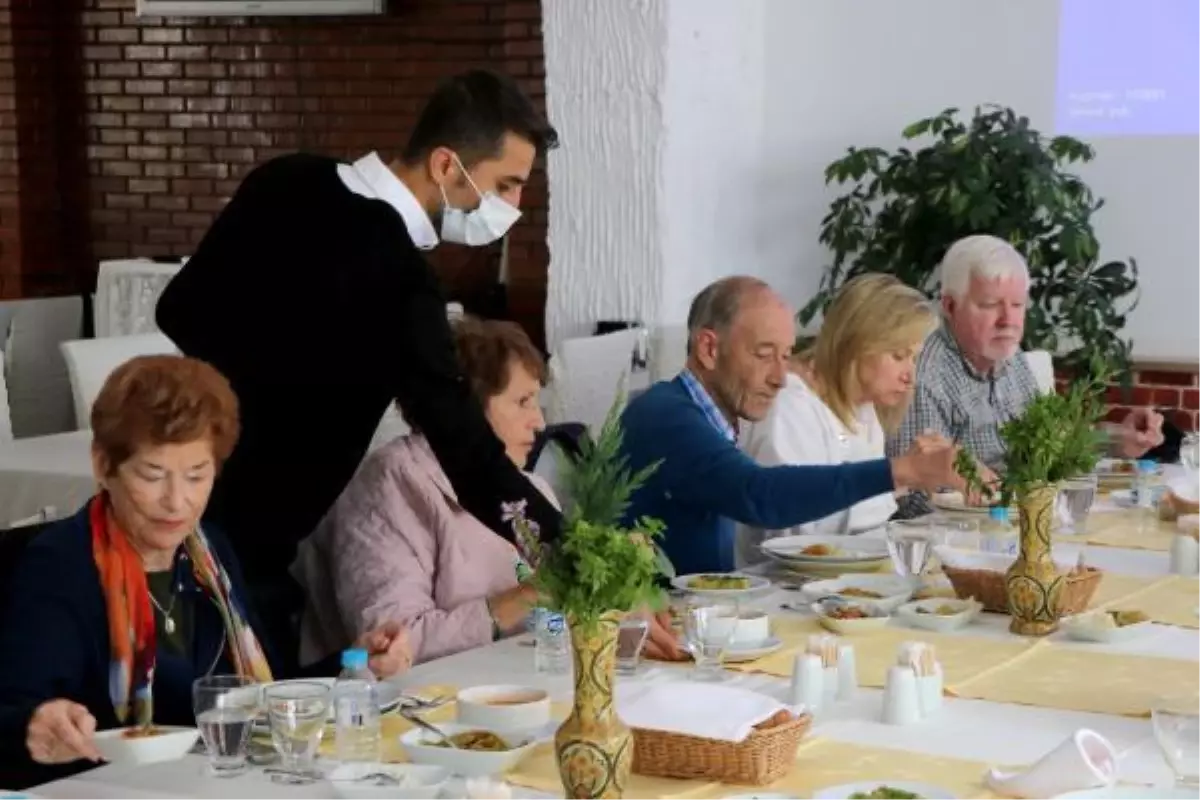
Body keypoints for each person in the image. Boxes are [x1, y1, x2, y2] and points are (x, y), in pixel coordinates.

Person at [154, 69, 563, 673]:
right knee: (242, 724)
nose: (512, 208)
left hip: (174, 500)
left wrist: (256, 376)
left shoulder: (286, 177)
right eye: (505, 185)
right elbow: (464, 448)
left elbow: (179, 309)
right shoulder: (403, 278)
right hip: (255, 534)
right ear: (447, 166)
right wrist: (566, 541)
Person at [0, 356, 409, 788]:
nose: (177, 502)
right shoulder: (63, 565)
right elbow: (13, 714)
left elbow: (264, 692)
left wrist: (355, 666)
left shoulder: (208, 553)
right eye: (153, 475)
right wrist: (36, 724)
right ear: (103, 465)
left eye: (197, 476)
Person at [617, 276, 965, 575]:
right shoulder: (666, 415)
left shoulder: (707, 418)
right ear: (709, 349)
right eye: (764, 354)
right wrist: (899, 472)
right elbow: (760, 496)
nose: (781, 378)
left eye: (786, 356)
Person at [888, 234, 1164, 517]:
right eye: (990, 304)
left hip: (1027, 518)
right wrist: (1000, 497)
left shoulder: (1009, 353)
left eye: (1018, 305)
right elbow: (915, 500)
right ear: (950, 306)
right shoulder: (924, 375)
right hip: (970, 535)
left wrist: (1119, 439)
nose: (1008, 320)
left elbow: (1050, 442)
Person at [737, 274, 937, 566]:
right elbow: (791, 530)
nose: (909, 376)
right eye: (898, 356)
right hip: (779, 585)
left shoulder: (864, 408)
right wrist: (899, 476)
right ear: (857, 344)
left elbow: (869, 524)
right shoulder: (790, 405)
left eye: (913, 359)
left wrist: (909, 477)